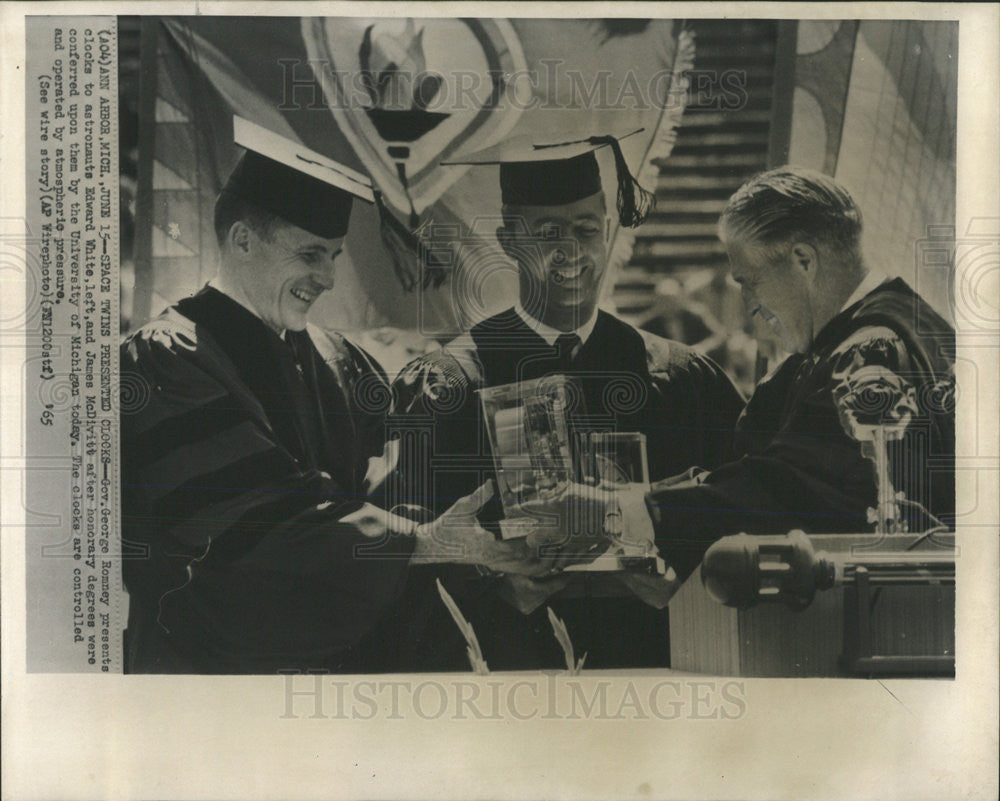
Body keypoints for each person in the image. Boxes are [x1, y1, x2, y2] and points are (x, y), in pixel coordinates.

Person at [120, 118, 546, 674]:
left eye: (335, 256)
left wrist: (492, 557)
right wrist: (429, 542)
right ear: (242, 239)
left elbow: (395, 488)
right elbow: (254, 520)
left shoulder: (339, 359)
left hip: (344, 669)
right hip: (212, 675)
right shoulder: (165, 358)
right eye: (309, 254)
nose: (326, 278)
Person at [363, 132, 746, 672]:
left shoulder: (682, 379)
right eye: (547, 233)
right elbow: (397, 542)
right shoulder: (448, 384)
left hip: (654, 666)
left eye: (587, 229)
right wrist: (491, 583)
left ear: (609, 231)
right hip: (499, 669)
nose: (571, 250)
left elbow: (740, 512)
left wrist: (676, 576)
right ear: (507, 240)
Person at [527, 166, 956, 585]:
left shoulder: (866, 353)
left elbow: (788, 492)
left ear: (803, 260)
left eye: (749, 281)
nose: (748, 304)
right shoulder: (905, 328)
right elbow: (760, 469)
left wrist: (619, 511)